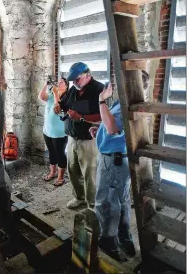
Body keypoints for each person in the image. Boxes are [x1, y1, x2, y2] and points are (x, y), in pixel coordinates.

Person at [89, 71, 148, 261]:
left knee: (106, 204)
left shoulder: (128, 106)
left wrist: (101, 100)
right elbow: (111, 128)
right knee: (120, 203)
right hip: (116, 157)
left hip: (113, 162)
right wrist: (100, 132)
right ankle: (125, 241)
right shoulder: (123, 103)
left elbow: (114, 128)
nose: (111, 86)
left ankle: (109, 244)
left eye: (115, 83)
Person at [54, 62, 104, 209]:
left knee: (90, 173)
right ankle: (79, 197)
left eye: (77, 79)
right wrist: (57, 106)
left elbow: (104, 117)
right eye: (73, 80)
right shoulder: (73, 90)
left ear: (88, 75)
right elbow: (64, 104)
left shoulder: (99, 90)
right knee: (73, 170)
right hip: (72, 138)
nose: (74, 82)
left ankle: (92, 203)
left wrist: (81, 117)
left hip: (89, 141)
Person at [38, 77, 69, 186]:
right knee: (51, 151)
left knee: (60, 153)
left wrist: (56, 93)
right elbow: (41, 96)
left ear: (66, 86)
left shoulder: (66, 96)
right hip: (48, 130)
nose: (59, 84)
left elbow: (58, 108)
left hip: (60, 132)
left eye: (61, 83)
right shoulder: (51, 95)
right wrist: (46, 85)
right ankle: (53, 172)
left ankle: (61, 177)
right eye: (58, 82)